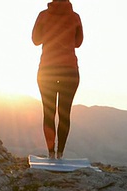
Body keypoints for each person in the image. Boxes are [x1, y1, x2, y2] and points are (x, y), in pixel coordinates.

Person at [32, 0, 83, 160]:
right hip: (69, 70)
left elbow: (35, 40)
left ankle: (50, 154)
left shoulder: (43, 15)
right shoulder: (75, 17)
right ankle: (60, 154)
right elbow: (78, 43)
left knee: (48, 113)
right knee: (64, 113)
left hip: (48, 70)